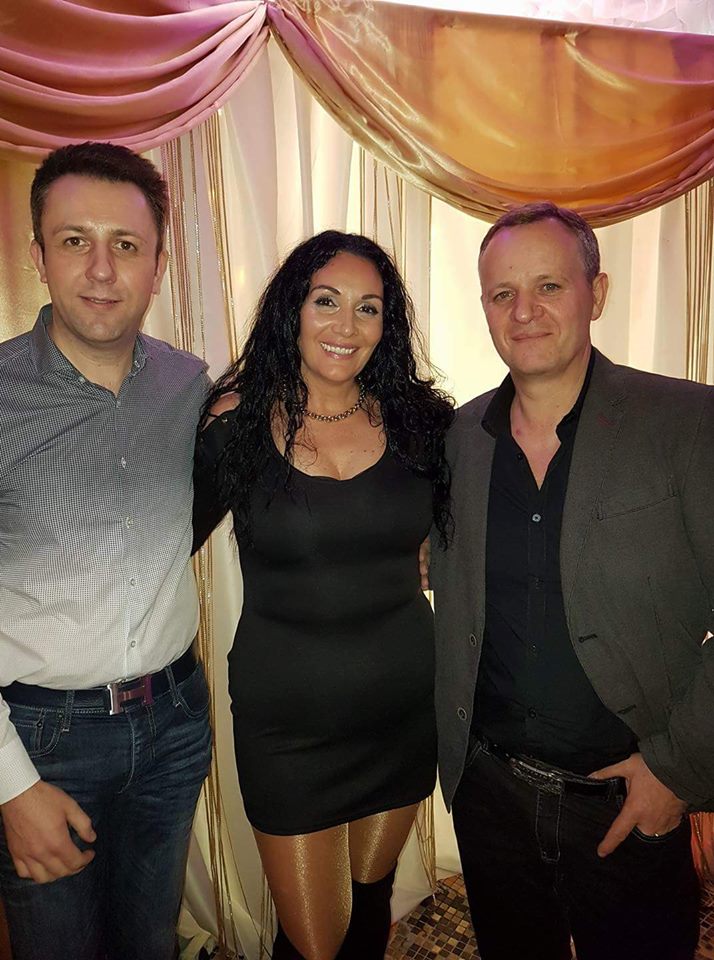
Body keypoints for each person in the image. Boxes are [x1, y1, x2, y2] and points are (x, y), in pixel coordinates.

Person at [431, 201, 713, 960]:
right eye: (502, 293)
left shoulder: (687, 422)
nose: (523, 312)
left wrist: (677, 771)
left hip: (627, 797)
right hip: (490, 795)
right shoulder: (458, 440)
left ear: (599, 293)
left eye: (549, 286)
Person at [192, 230, 454, 960]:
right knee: (312, 943)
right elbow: (154, 545)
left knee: (370, 911)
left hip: (401, 713)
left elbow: (473, 532)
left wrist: (439, 555)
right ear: (293, 310)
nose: (347, 325)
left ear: (386, 325)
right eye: (326, 301)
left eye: (368, 308)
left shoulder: (423, 425)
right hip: (289, 731)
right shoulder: (238, 423)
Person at [0, 142, 212, 960]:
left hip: (174, 723)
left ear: (157, 265)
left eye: (125, 244)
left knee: (149, 942)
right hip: (41, 737)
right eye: (74, 240)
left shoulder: (189, 385)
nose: (100, 269)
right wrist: (10, 786)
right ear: (38, 256)